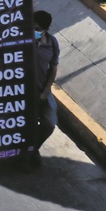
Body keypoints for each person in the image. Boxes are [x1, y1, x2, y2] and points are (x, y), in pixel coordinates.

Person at [27, 10, 60, 169]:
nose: (34, 30)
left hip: (43, 91)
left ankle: (32, 149)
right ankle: (25, 153)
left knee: (49, 123)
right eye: (32, 26)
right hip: (24, 91)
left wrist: (46, 91)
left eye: (38, 28)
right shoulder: (22, 39)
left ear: (45, 29)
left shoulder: (52, 43)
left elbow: (53, 67)